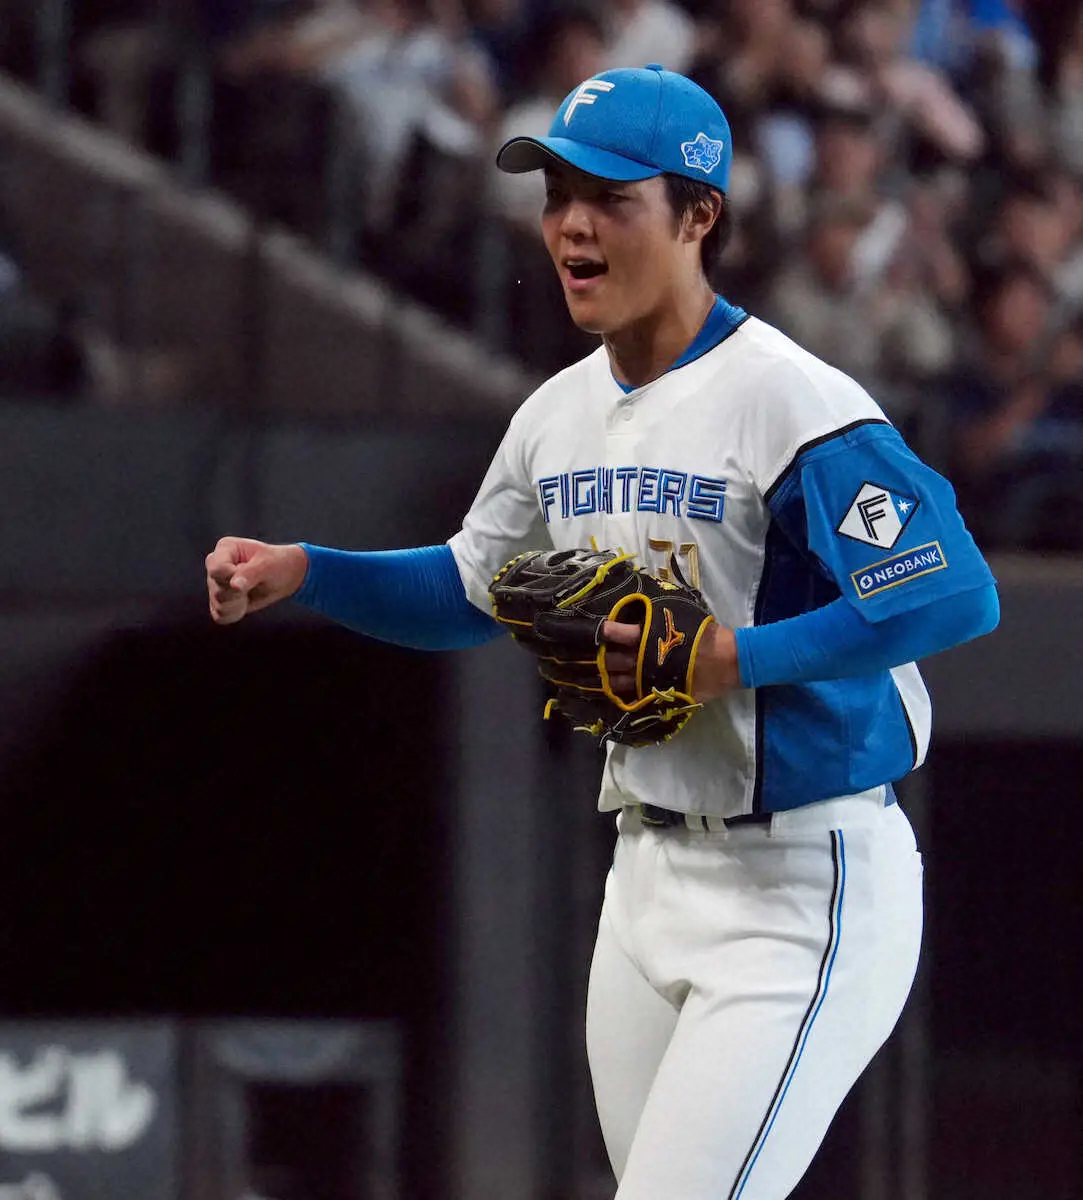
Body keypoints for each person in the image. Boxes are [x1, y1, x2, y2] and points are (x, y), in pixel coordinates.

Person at [206, 66, 1000, 1199]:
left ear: (698, 216)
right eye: (558, 195)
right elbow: (468, 590)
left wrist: (733, 657)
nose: (572, 225)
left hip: (800, 883)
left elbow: (949, 595)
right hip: (642, 879)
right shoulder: (557, 414)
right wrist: (309, 573)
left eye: (612, 198)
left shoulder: (790, 399)